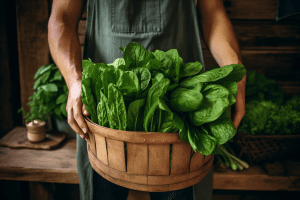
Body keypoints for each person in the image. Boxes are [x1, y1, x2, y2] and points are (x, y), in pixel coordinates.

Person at [48, 0, 246, 200]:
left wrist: (234, 68)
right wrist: (74, 80)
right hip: (104, 115)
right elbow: (61, 18)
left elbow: (212, 12)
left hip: (181, 116)